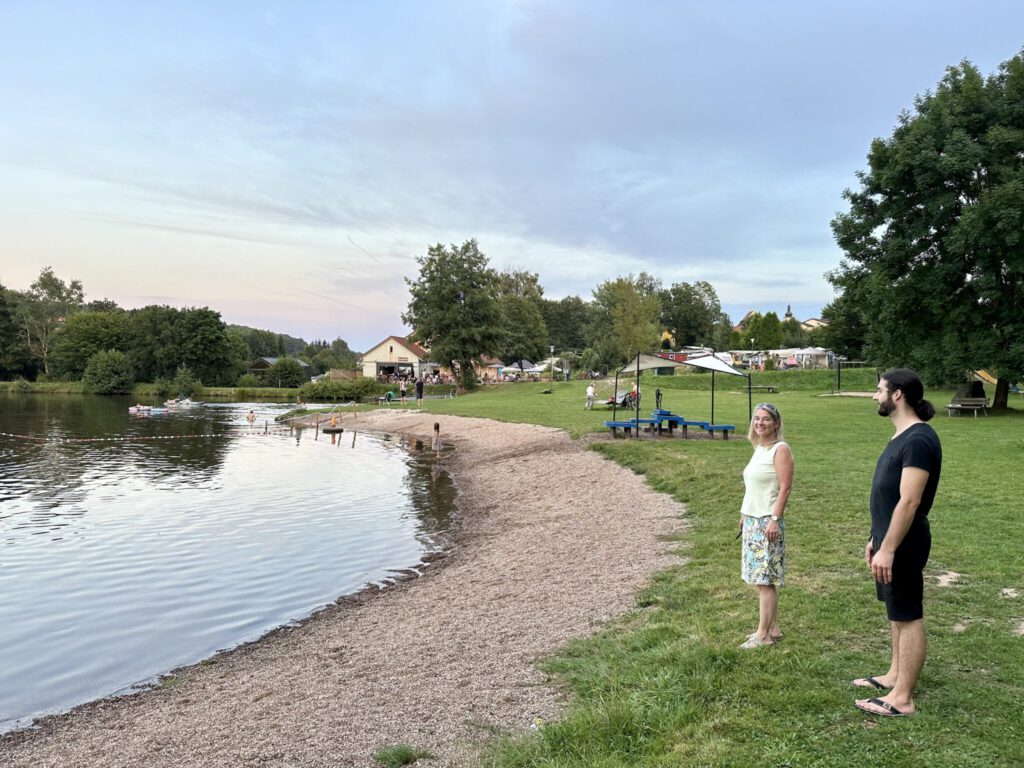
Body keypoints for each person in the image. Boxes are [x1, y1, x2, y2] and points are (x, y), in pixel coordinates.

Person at [854, 368, 941, 717]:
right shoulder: (902, 435)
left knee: (907, 614)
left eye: (879, 390)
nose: (875, 396)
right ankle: (894, 675)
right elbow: (889, 498)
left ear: (898, 394)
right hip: (889, 539)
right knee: (895, 613)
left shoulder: (919, 440)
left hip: (904, 542)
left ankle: (903, 698)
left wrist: (889, 547)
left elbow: (909, 501)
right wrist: (876, 538)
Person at [738, 402, 793, 649]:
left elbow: (785, 487)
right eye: (757, 419)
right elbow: (753, 485)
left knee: (764, 580)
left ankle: (763, 636)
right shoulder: (760, 447)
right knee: (760, 578)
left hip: (766, 521)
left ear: (776, 424)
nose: (760, 423)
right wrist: (743, 513)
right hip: (752, 518)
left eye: (766, 419)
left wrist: (774, 519)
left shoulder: (780, 449)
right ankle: (772, 627)